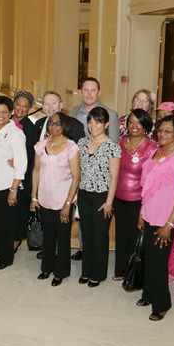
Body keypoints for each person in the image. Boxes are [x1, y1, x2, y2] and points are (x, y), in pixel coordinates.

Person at [138, 115, 174, 321]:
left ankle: (162, 303)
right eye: (160, 130)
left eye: (167, 131)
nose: (161, 134)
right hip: (149, 214)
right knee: (148, 258)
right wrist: (142, 212)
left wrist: (169, 225)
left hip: (166, 219)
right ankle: (148, 294)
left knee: (158, 262)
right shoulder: (155, 151)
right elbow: (147, 187)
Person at [31, 112, 80, 286]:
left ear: (64, 126)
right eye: (51, 123)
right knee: (48, 236)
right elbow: (36, 171)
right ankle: (47, 268)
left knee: (63, 237)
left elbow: (76, 177)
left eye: (58, 124)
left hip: (63, 201)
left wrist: (68, 204)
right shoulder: (41, 145)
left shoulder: (71, 147)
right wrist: (34, 197)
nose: (53, 127)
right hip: (45, 198)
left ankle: (61, 271)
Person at [77, 106, 121, 287]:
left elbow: (114, 176)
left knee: (99, 236)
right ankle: (86, 270)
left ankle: (98, 273)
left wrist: (109, 202)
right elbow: (78, 171)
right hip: (84, 194)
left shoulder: (113, 147)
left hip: (102, 196)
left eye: (98, 122)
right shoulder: (82, 143)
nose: (93, 125)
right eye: (90, 121)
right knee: (86, 235)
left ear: (106, 124)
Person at [0, 96, 28, 270]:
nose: (0, 115)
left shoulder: (16, 133)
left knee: (6, 224)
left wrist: (13, 189)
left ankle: (6, 257)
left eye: (4, 111)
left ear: (10, 113)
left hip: (7, 185)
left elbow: (21, 163)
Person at [113, 109, 157, 281]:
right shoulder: (120, 142)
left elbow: (152, 180)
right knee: (121, 234)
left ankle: (134, 272)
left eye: (139, 122)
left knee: (135, 237)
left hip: (139, 200)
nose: (134, 126)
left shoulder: (152, 147)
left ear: (146, 125)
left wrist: (144, 206)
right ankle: (121, 269)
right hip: (119, 197)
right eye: (131, 122)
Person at [12, 90, 37, 251]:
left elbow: (30, 154)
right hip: (3, 175)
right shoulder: (5, 120)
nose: (21, 108)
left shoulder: (30, 127)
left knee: (19, 212)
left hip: (22, 176)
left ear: (29, 109)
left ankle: (14, 242)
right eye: (18, 104)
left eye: (25, 106)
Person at [70, 77, 120, 143]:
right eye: (86, 90)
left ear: (99, 93)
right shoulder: (73, 111)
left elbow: (113, 142)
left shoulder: (111, 115)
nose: (89, 94)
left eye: (93, 90)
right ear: (81, 92)